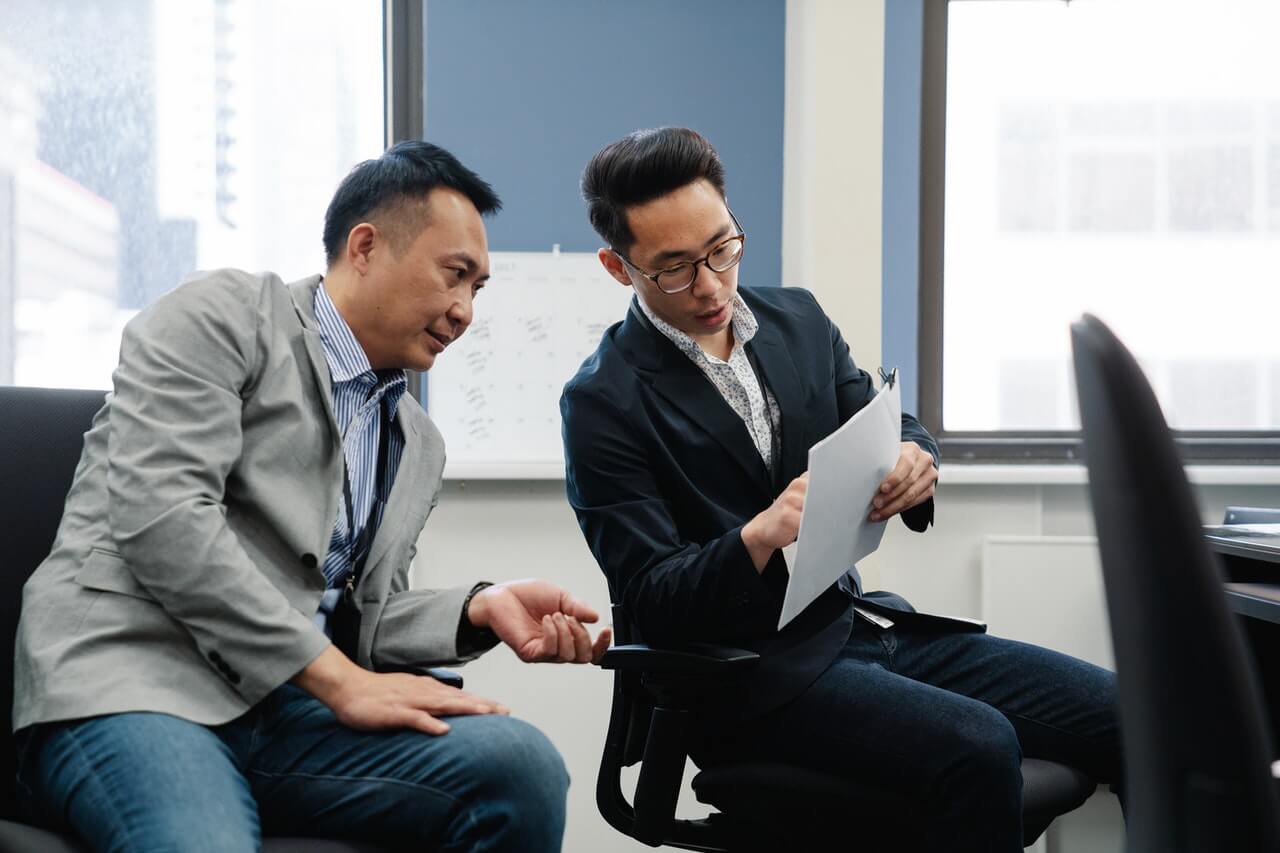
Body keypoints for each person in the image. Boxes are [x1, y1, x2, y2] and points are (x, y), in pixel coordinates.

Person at [13, 140, 611, 853]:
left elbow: (362, 617)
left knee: (519, 766)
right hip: (132, 687)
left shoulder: (416, 441)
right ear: (365, 246)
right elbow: (163, 520)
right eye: (455, 275)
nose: (464, 311)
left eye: (477, 289)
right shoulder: (223, 315)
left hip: (284, 713)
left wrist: (479, 607)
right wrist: (338, 680)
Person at [560, 127, 1121, 852]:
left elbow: (888, 423)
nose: (709, 285)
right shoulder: (603, 399)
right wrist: (758, 536)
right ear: (616, 266)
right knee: (980, 746)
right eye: (672, 270)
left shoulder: (797, 322)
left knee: (1123, 712)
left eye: (722, 249)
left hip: (861, 626)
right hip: (746, 679)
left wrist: (917, 457)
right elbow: (653, 597)